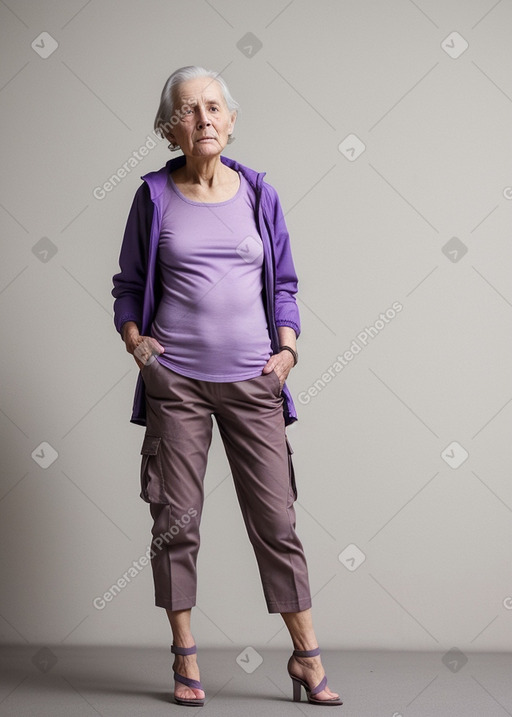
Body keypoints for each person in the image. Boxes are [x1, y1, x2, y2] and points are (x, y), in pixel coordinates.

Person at [112, 65, 342, 707]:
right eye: (189, 110)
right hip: (176, 382)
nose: (205, 118)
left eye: (215, 107)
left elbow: (287, 284)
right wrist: (138, 345)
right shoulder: (153, 196)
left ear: (232, 120)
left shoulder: (259, 195)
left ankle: (306, 656)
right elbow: (128, 284)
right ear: (169, 128)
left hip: (253, 380)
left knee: (275, 521)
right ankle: (185, 659)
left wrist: (288, 350)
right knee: (176, 522)